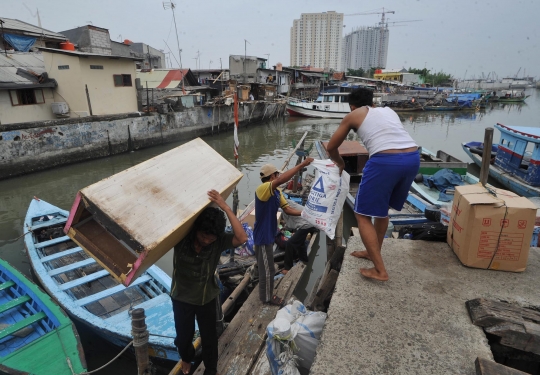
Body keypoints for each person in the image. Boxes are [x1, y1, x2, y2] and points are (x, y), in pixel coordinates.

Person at [326, 88, 419, 281]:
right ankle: (373, 252)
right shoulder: (388, 111)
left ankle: (379, 270)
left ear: (352, 106)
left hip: (385, 160)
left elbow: (331, 147)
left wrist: (341, 163)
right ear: (372, 102)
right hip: (412, 157)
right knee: (382, 209)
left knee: (362, 214)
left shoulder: (353, 115)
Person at [171, 189, 248, 375]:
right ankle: (186, 358)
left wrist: (225, 206)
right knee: (183, 338)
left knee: (210, 339)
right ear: (196, 230)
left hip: (206, 297)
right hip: (181, 296)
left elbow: (242, 237)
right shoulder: (181, 237)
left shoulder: (219, 242)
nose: (206, 241)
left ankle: (211, 370)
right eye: (203, 236)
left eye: (210, 238)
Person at [254, 159, 313, 305]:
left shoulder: (276, 192)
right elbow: (281, 180)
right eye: (276, 175)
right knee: (267, 271)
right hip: (262, 235)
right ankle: (267, 298)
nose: (278, 177)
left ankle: (266, 294)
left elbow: (288, 210)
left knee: (268, 268)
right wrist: (301, 165)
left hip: (270, 233)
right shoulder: (262, 189)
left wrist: (306, 214)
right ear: (272, 176)